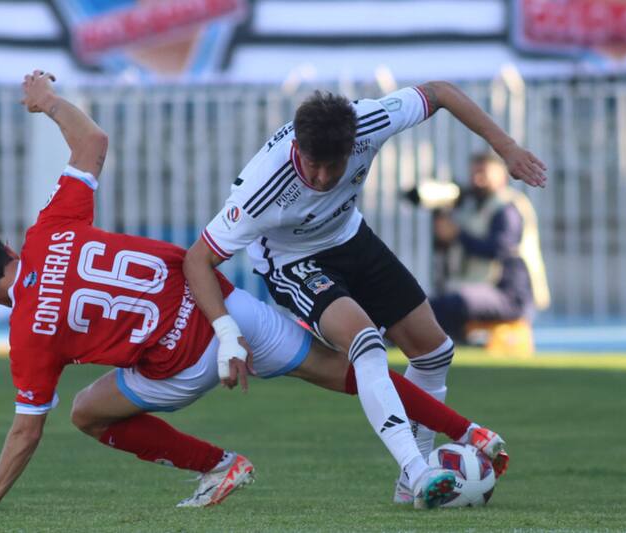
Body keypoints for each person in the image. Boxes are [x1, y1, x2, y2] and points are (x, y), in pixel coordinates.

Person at [0, 71, 506, 511]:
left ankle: (220, 464)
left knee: (86, 414)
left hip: (184, 361)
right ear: (11, 251)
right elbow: (92, 141)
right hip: (222, 303)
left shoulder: (28, 331)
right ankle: (473, 434)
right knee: (353, 370)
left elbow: (25, 430)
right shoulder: (51, 229)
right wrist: (47, 101)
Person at [184, 83, 543, 502]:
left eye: (331, 167)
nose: (320, 178)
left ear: (352, 146)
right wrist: (226, 333)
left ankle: (411, 487)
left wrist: (507, 147)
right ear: (297, 144)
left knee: (435, 351)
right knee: (366, 342)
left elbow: (441, 92)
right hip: (294, 262)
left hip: (351, 238)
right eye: (312, 164)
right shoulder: (262, 189)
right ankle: (417, 470)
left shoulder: (369, 122)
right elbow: (197, 260)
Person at [429, 152, 550, 341]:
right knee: (435, 305)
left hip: (510, 294)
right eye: (474, 174)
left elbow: (499, 248)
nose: (477, 180)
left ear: (502, 175)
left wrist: (457, 235)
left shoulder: (508, 207)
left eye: (483, 174)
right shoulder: (473, 207)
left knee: (453, 304)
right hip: (483, 287)